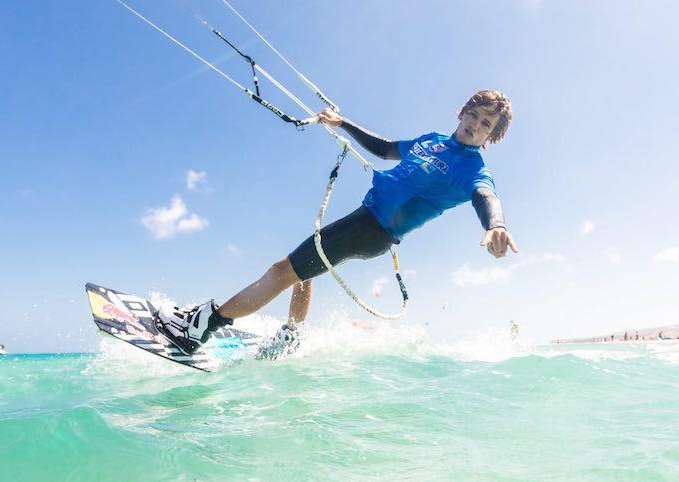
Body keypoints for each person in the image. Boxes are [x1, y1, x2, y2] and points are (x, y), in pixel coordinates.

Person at [158, 90, 518, 355]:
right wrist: (342, 122)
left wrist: (495, 224)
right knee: (303, 274)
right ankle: (290, 338)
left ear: (492, 136)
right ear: (463, 111)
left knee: (282, 270)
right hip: (365, 221)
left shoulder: (472, 168)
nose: (476, 125)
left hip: (374, 229)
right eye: (475, 114)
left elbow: (485, 195)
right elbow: (385, 147)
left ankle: (201, 327)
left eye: (486, 124)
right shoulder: (432, 141)